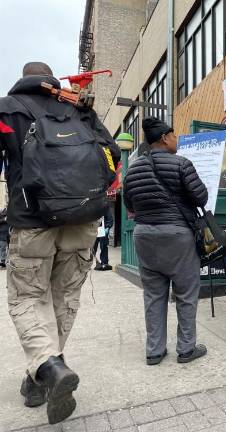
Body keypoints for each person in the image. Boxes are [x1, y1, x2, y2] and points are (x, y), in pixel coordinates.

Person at [0, 62, 120, 423]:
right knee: (63, 299)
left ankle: (50, 368)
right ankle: (39, 378)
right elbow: (112, 156)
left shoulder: (7, 108)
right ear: (50, 79)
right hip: (82, 221)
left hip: (33, 221)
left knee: (28, 297)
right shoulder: (78, 107)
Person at [123, 116, 209, 366]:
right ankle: (186, 349)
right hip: (177, 236)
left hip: (144, 236)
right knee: (185, 293)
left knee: (153, 295)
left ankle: (154, 351)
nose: (176, 140)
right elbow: (201, 198)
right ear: (163, 138)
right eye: (174, 136)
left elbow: (130, 205)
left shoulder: (133, 169)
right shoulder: (182, 164)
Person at [92, 204, 114, 270]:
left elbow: (109, 217)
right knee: (92, 247)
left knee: (103, 246)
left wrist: (107, 227)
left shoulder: (105, 206)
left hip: (103, 229)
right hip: (93, 229)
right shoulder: (91, 206)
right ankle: (92, 262)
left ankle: (104, 263)